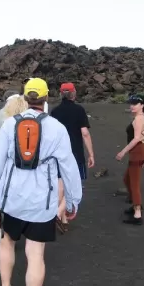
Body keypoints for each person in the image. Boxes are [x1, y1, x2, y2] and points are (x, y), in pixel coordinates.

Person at [0, 77, 83, 286]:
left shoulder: (8, 125)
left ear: (26, 98)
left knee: (7, 242)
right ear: (46, 99)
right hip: (42, 204)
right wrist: (72, 201)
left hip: (10, 200)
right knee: (35, 254)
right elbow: (69, 168)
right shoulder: (57, 128)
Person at [50, 82, 95, 233]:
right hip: (74, 153)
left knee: (60, 186)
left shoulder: (54, 112)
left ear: (61, 94)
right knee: (73, 185)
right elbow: (85, 133)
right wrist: (91, 153)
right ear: (74, 93)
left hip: (57, 153)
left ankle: (62, 219)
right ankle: (58, 214)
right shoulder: (79, 110)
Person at [0, 91, 28, 243]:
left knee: (2, 192)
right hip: (19, 160)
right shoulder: (24, 116)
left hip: (2, 155)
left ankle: (0, 229)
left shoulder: (2, 114)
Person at [115, 94, 144, 225]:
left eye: (135, 104)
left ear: (142, 105)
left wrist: (123, 152)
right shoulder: (142, 118)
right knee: (127, 180)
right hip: (139, 152)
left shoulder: (139, 119)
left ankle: (137, 214)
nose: (132, 106)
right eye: (131, 103)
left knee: (134, 184)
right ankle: (135, 204)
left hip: (137, 153)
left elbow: (137, 139)